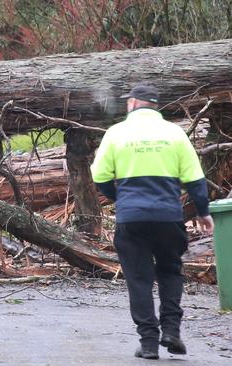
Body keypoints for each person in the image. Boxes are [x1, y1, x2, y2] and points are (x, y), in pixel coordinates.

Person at [90, 82, 215, 360]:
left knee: (138, 279)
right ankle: (171, 331)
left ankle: (148, 343)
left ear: (133, 104)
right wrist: (204, 212)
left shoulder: (116, 133)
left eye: (127, 102)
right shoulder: (175, 133)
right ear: (154, 105)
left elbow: (99, 177)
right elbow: (195, 179)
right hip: (168, 217)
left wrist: (120, 197)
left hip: (131, 219)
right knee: (170, 271)